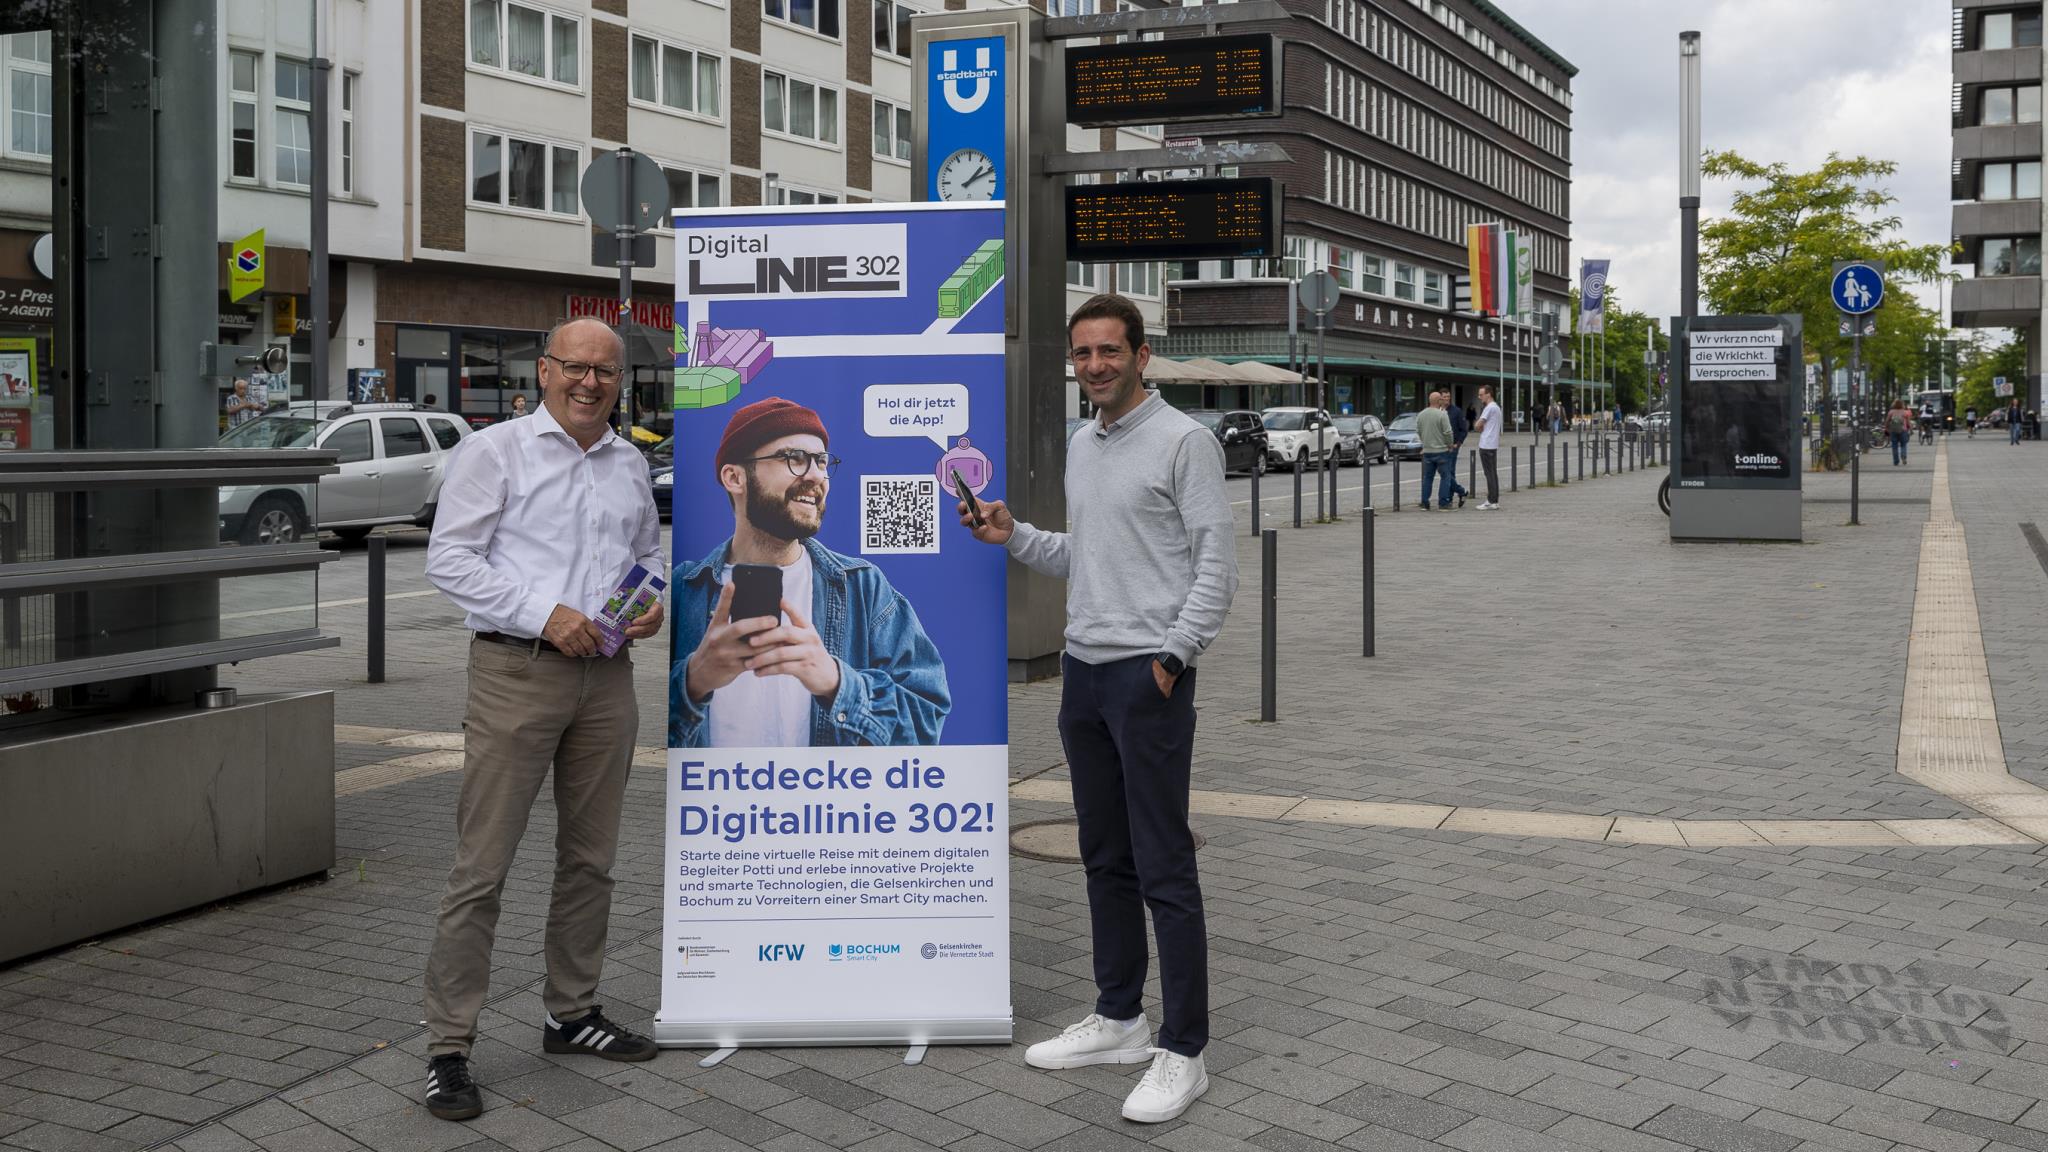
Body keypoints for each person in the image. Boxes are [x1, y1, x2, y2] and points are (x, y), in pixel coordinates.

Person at [961, 293, 1236, 1124]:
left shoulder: (1186, 442)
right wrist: (1015, 535)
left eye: (1109, 352)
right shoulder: (1085, 442)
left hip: (1146, 679)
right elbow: (1094, 555)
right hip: (1083, 676)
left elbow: (1214, 566)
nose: (1094, 366)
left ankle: (1184, 1050)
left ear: (1142, 355)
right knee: (1103, 857)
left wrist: (1171, 658)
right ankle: (1120, 1016)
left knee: (1164, 866)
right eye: (1082, 354)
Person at [418, 318, 665, 1123]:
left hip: (608, 678)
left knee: (590, 862)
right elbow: (450, 558)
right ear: (544, 369)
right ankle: (449, 1047)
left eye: (604, 371)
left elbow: (649, 554)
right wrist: (542, 613)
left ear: (619, 380)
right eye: (574, 367)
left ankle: (572, 1013)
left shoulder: (628, 460)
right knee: (482, 869)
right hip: (516, 673)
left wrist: (648, 599)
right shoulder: (495, 452)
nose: (589, 382)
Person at [670, 397, 949, 748]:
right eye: (795, 459)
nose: (817, 476)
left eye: (821, 462)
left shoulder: (861, 587)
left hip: (825, 803)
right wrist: (693, 680)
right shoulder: (685, 589)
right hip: (716, 801)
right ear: (735, 477)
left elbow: (926, 720)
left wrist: (836, 682)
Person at [1417, 390, 1456, 511]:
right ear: (1439, 401)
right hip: (1441, 451)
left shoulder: (1421, 415)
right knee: (1445, 477)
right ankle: (1443, 503)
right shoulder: (1442, 415)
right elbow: (1448, 432)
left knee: (1427, 478)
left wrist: (1425, 443)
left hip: (1427, 451)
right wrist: (1450, 445)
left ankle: (1424, 502)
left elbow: (1418, 431)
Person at [1475, 384, 1503, 509]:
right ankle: (1494, 500)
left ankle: (1491, 501)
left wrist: (1479, 426)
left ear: (1488, 394)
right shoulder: (1496, 407)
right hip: (1493, 443)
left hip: (1486, 444)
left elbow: (1478, 424)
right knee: (1492, 473)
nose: (1479, 397)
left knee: (1489, 473)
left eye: (1481, 395)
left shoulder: (1489, 408)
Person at [1444, 394, 1470, 509]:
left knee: (1449, 472)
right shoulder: (1437, 411)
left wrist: (1458, 444)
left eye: (1448, 396)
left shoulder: (1456, 411)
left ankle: (1449, 499)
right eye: (1444, 397)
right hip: (1440, 447)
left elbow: (1463, 429)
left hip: (1452, 447)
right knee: (1445, 473)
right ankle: (1461, 492)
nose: (1446, 399)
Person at [1885, 400, 1910, 466]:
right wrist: (1910, 429)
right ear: (1902, 405)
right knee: (1903, 444)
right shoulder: (1905, 412)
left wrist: (1886, 428)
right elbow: (1908, 422)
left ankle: (1896, 461)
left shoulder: (1891, 412)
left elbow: (1887, 421)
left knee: (1894, 446)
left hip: (1893, 430)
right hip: (1903, 430)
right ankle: (1903, 455)